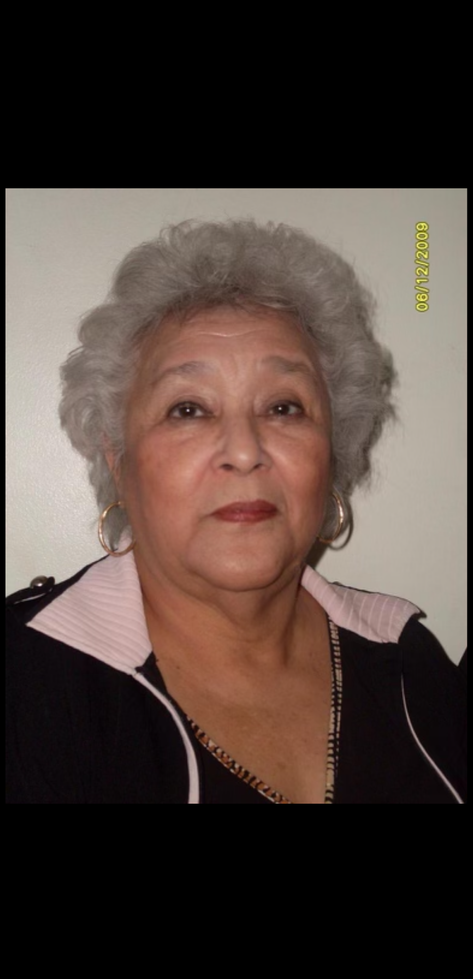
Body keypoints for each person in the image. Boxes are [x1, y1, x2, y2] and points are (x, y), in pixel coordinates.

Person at [6, 219, 466, 804]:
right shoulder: (24, 685)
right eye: (189, 410)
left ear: (333, 452)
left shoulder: (408, 661)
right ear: (119, 459)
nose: (245, 451)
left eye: (283, 407)